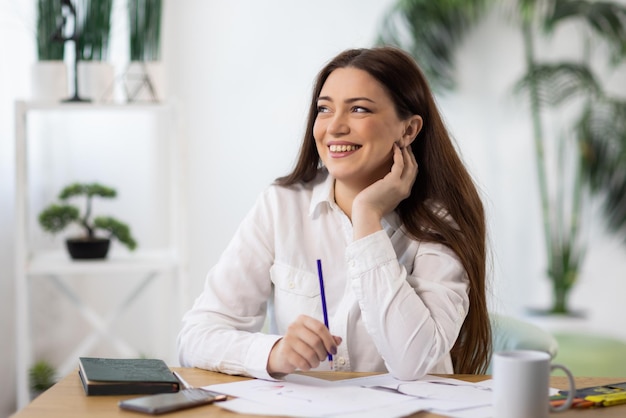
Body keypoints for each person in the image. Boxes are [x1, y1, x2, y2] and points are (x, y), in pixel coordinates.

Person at [178, 46, 491, 381]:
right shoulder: (281, 205)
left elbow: (415, 363)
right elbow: (196, 337)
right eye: (324, 109)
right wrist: (274, 352)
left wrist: (367, 217)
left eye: (358, 109)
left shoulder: (440, 221)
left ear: (408, 130)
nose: (335, 127)